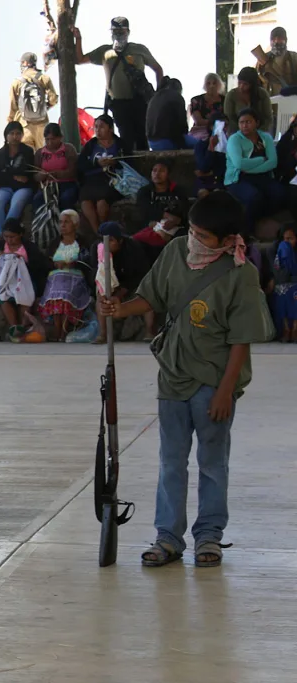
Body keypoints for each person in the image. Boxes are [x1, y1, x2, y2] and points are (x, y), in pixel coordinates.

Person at [99, 191, 275, 568]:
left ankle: (209, 535)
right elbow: (152, 297)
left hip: (213, 382)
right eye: (192, 230)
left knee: (212, 463)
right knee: (171, 462)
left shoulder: (241, 274)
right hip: (173, 377)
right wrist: (120, 309)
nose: (194, 239)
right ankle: (168, 537)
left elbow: (241, 341)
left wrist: (226, 392)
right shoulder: (176, 251)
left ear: (227, 239)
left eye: (204, 235)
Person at [75, 17, 163, 152]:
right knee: (126, 138)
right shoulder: (105, 51)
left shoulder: (138, 49)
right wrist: (78, 38)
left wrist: (158, 95)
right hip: (119, 104)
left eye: (121, 31)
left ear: (128, 32)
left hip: (139, 101)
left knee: (142, 137)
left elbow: (157, 69)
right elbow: (79, 59)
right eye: (115, 31)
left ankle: (143, 163)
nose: (118, 34)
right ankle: (128, 164)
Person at [0, 219, 53, 341]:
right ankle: (14, 327)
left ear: (20, 234)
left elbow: (42, 265)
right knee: (4, 297)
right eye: (6, 237)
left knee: (25, 296)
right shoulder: (0, 245)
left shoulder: (29, 247)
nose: (9, 240)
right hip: (5, 282)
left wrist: (24, 261)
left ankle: (22, 326)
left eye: (12, 237)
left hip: (26, 280)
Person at [87, 221, 153, 343]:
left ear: (120, 241)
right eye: (103, 241)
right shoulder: (96, 248)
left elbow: (142, 274)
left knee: (149, 295)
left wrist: (123, 290)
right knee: (100, 297)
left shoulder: (133, 248)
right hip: (110, 288)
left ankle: (150, 331)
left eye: (110, 241)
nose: (106, 244)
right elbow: (95, 273)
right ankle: (103, 334)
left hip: (133, 286)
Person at [225, 108, 285, 238]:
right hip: (239, 178)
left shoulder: (265, 137)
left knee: (279, 193)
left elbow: (273, 162)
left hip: (263, 176)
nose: (244, 125)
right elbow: (239, 164)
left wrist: (251, 167)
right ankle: (246, 232)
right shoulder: (235, 139)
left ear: (256, 123)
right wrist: (261, 159)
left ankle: (261, 219)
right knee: (254, 197)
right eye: (241, 122)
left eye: (248, 122)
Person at [38, 210, 91, 341]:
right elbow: (45, 262)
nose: (62, 225)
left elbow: (87, 262)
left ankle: (63, 330)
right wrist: (55, 264)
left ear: (75, 225)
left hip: (75, 279)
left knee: (66, 294)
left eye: (66, 222)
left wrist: (72, 264)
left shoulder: (83, 242)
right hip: (55, 279)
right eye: (60, 222)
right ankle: (58, 330)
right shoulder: (55, 243)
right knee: (57, 293)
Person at [78, 114, 125, 233]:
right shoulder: (91, 145)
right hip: (92, 179)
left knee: (101, 202)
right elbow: (81, 164)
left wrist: (115, 162)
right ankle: (97, 232)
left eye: (102, 127)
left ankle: (104, 229)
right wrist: (96, 163)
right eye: (96, 127)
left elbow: (128, 163)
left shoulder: (120, 144)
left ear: (110, 129)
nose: (98, 130)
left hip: (111, 179)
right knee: (85, 200)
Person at [132, 160, 189, 256]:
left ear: (168, 174)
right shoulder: (145, 191)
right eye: (154, 170)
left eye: (162, 171)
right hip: (151, 227)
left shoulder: (178, 191)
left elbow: (185, 211)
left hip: (176, 228)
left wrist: (175, 221)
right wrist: (165, 216)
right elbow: (145, 210)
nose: (157, 174)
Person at [8, 52, 58, 149]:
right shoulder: (44, 78)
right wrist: (45, 107)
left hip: (24, 125)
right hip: (42, 124)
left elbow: (12, 107)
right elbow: (53, 100)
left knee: (27, 154)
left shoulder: (17, 82)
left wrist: (10, 123)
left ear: (25, 63)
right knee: (41, 154)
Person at [0, 121, 35, 231]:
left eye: (18, 133)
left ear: (22, 135)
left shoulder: (28, 152)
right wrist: (15, 177)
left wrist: (13, 176)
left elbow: (29, 174)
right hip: (4, 187)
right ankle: (3, 235)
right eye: (12, 133)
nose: (15, 137)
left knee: (17, 203)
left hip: (23, 188)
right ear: (6, 135)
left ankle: (7, 233)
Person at [33, 122, 79, 211]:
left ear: (60, 137)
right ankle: (44, 220)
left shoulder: (68, 149)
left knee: (66, 198)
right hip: (47, 186)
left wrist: (55, 174)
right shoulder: (39, 153)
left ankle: (65, 219)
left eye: (53, 139)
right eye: (47, 139)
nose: (50, 142)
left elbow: (73, 171)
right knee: (38, 200)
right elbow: (35, 176)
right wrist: (40, 175)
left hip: (67, 184)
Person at [224, 67, 272, 134]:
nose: (241, 86)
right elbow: (229, 119)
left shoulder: (262, 94)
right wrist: (243, 132)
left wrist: (258, 133)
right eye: (239, 83)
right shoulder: (231, 95)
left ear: (253, 85)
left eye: (245, 84)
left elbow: (268, 118)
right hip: (236, 133)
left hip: (259, 132)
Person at [146, 77, 188, 151]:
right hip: (168, 141)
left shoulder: (155, 97)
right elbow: (182, 124)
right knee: (200, 145)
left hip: (151, 142)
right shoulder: (177, 97)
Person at [272, 225, 297, 341]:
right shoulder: (276, 251)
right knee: (281, 295)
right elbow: (275, 270)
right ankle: (286, 329)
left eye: (290, 238)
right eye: (284, 239)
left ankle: (295, 329)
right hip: (281, 282)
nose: (286, 242)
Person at [256, 26, 297, 97]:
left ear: (285, 40)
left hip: (290, 98)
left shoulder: (293, 57)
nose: (276, 42)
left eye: (279, 39)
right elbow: (257, 81)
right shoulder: (263, 59)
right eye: (273, 39)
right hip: (270, 98)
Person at [187, 73, 224, 147]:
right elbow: (198, 121)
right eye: (208, 83)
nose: (211, 86)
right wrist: (216, 123)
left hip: (221, 130)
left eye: (214, 83)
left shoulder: (225, 100)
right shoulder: (196, 100)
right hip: (200, 130)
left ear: (219, 85)